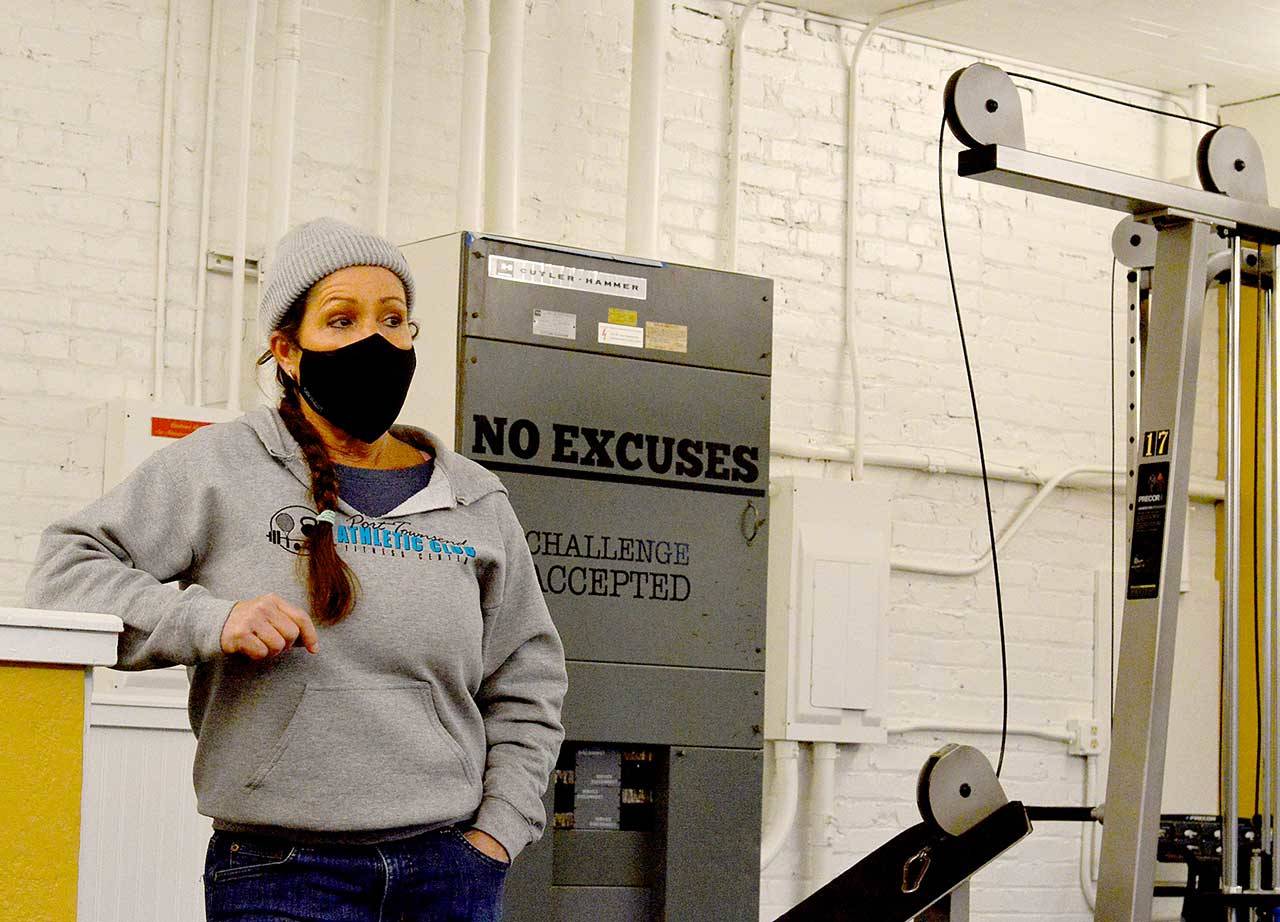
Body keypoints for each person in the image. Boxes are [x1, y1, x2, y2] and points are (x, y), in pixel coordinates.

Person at [24, 217, 568, 922]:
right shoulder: (218, 468)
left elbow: (528, 676)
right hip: (281, 876)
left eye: (394, 319)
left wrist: (497, 832)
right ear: (287, 350)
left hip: (449, 875)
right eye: (341, 320)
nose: (374, 340)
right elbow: (65, 573)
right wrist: (210, 620)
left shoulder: (474, 498)